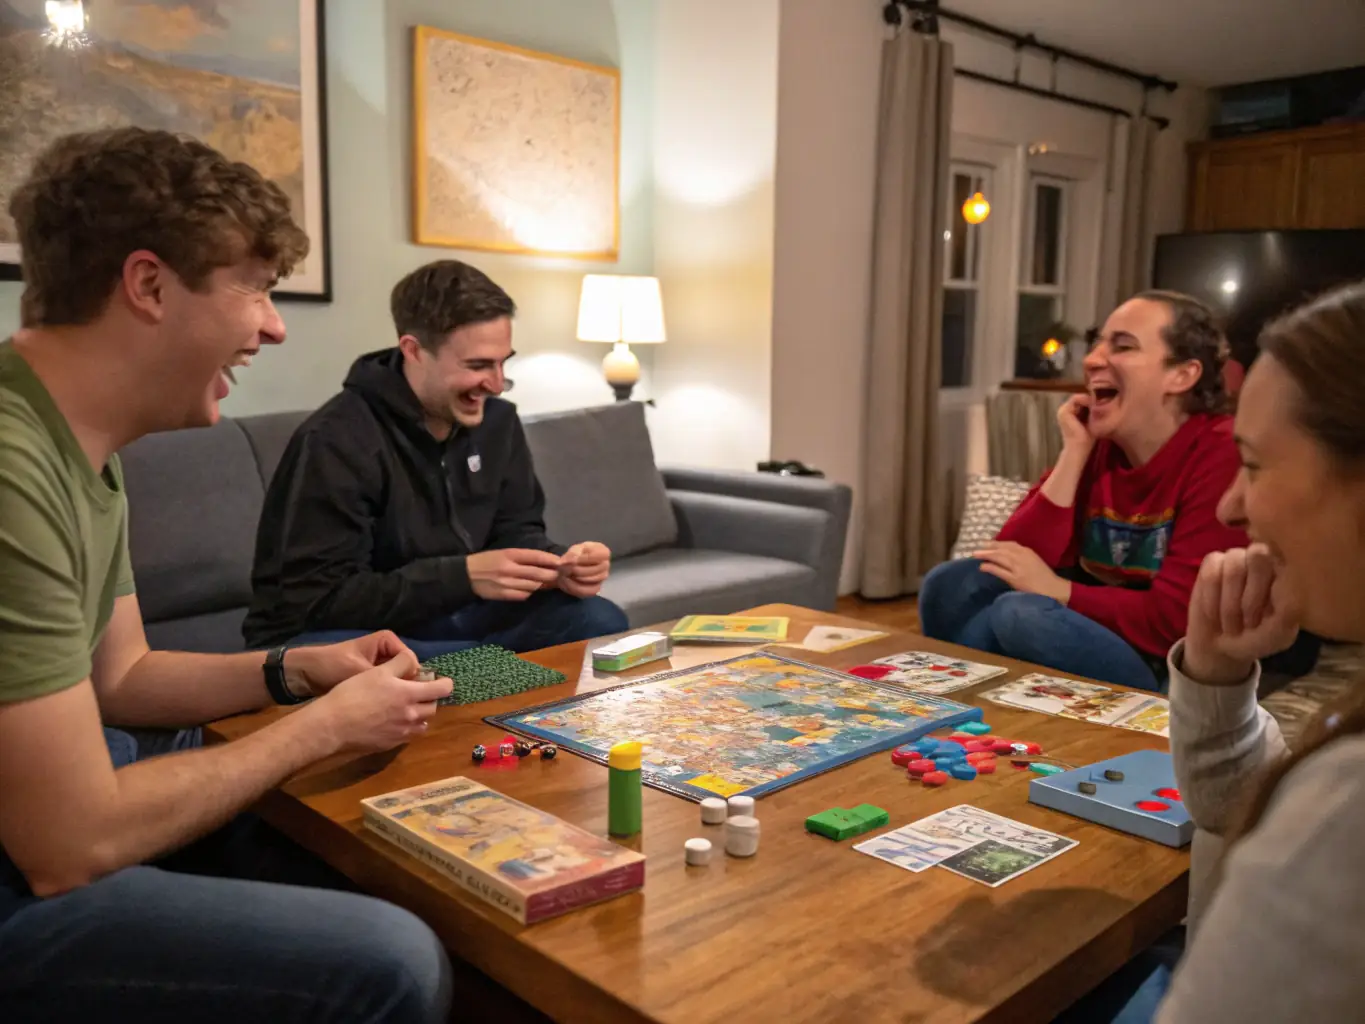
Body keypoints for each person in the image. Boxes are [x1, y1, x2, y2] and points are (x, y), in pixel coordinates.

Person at [0, 127, 454, 1022]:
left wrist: (294, 671)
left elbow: (123, 678)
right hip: (26, 866)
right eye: (255, 288)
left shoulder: (83, 443)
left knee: (357, 845)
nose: (274, 326)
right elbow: (69, 842)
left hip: (61, 800)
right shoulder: (13, 469)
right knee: (394, 962)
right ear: (148, 286)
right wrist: (321, 727)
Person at [1113, 280, 1365, 1022]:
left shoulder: (1343, 811)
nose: (1232, 506)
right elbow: (1233, 810)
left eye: (1252, 465)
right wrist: (1217, 677)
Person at [242, 259, 629, 658]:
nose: (497, 384)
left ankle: (485, 670)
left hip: (457, 613)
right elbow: (318, 599)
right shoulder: (336, 439)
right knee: (460, 665)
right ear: (414, 351)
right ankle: (483, 671)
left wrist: (560, 564)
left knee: (597, 621)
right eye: (478, 365)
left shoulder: (498, 423)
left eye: (503, 362)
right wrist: (463, 577)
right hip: (340, 630)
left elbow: (516, 531)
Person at [919, 291, 1253, 691]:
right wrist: (1074, 452)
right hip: (1096, 625)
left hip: (1167, 659)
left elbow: (1178, 619)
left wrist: (1060, 591)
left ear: (1182, 375)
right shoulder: (1101, 442)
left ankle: (969, 692)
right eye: (1097, 343)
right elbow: (1010, 559)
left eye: (1123, 346)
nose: (1093, 359)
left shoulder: (1221, 452)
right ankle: (964, 697)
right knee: (950, 585)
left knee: (1020, 614)